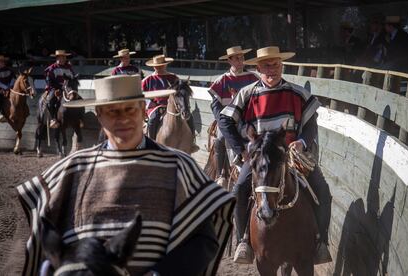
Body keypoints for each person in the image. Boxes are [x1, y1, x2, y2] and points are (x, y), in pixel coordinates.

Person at [17, 74, 235, 276]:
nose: (122, 119)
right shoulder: (72, 170)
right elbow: (46, 247)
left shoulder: (178, 165)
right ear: (100, 115)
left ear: (142, 110)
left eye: (130, 109)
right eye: (112, 111)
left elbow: (204, 240)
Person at [219, 46, 332, 264]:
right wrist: (241, 149)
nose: (271, 70)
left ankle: (320, 242)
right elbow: (225, 120)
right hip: (259, 157)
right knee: (240, 190)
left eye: (276, 65)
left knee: (322, 191)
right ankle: (244, 241)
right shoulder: (247, 93)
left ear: (282, 66)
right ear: (258, 67)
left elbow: (311, 123)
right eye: (266, 65)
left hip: (290, 155)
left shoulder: (297, 92)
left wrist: (302, 141)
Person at [208, 46, 259, 186]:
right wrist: (222, 121)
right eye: (237, 58)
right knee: (220, 137)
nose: (240, 60)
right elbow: (215, 106)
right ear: (229, 61)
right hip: (227, 120)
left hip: (247, 119)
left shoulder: (253, 78)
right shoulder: (222, 80)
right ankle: (221, 174)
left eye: (242, 57)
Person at [142, 54, 199, 152]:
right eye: (157, 66)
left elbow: (181, 91)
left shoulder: (173, 77)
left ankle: (192, 142)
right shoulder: (148, 80)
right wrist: (148, 103)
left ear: (165, 65)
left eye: (162, 65)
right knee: (153, 119)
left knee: (189, 117)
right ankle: (152, 145)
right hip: (156, 106)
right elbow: (141, 94)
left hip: (175, 105)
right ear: (154, 66)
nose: (159, 67)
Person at [44, 49, 75, 128]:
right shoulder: (52, 68)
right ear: (57, 58)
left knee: (78, 98)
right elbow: (49, 80)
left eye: (63, 58)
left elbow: (73, 77)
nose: (62, 59)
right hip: (56, 87)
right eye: (60, 58)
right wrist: (57, 88)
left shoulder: (69, 68)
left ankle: (78, 118)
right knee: (49, 101)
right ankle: (54, 119)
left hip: (68, 88)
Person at [0, 55, 15, 122]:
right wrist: (5, 87)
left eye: (3, 62)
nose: (3, 63)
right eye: (1, 62)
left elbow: (13, 78)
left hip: (9, 87)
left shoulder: (9, 70)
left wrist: (10, 86)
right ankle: (0, 113)